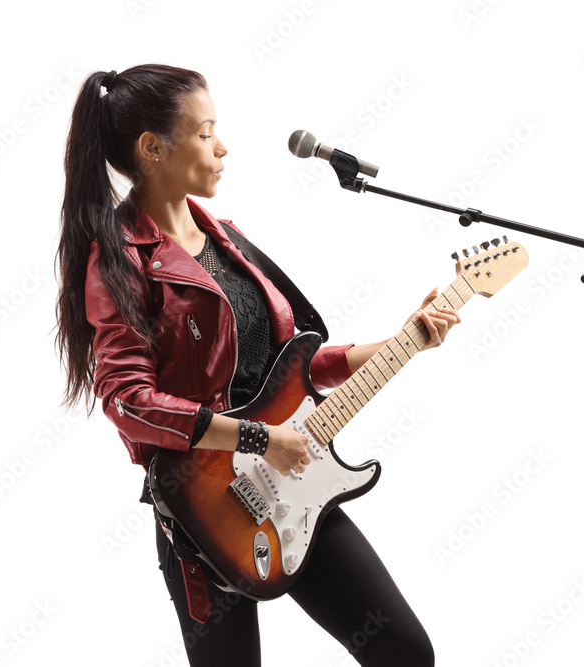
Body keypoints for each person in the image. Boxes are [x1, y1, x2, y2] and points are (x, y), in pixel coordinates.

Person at [55, 64, 459, 666]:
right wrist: (256, 438)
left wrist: (406, 340)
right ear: (152, 148)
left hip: (294, 484)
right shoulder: (117, 263)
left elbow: (294, 366)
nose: (223, 148)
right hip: (204, 514)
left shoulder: (229, 239)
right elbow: (127, 401)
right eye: (205, 132)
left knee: (403, 651)